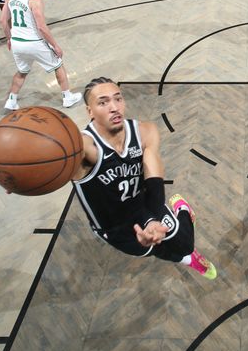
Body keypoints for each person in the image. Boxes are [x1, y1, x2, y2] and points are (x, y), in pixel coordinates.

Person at [61, 77, 218, 279]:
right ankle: (184, 258)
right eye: (103, 102)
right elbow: (54, 159)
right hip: (112, 224)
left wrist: (153, 220)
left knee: (185, 244)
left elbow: (154, 179)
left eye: (118, 99)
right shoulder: (83, 148)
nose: (114, 107)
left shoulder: (145, 131)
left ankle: (183, 211)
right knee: (148, 249)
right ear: (89, 111)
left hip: (145, 206)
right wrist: (18, 177)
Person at [0, 0, 82, 110]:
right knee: (58, 65)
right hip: (33, 43)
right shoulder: (35, 0)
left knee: (22, 72)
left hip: (17, 43)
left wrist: (9, 39)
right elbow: (42, 27)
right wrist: (55, 46)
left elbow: (2, 21)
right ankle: (68, 98)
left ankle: (12, 100)